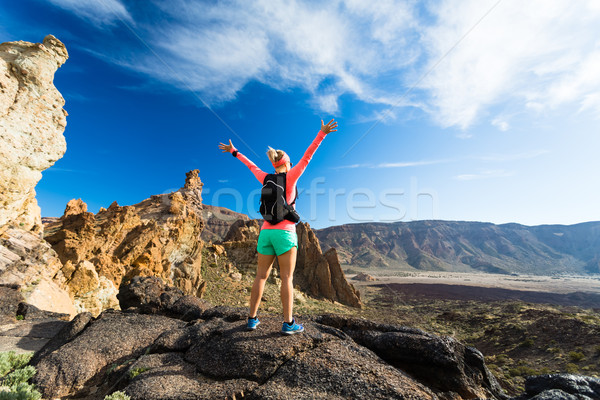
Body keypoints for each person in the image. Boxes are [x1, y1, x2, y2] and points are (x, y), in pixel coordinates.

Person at [218, 119, 338, 335]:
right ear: (287, 163)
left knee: (260, 277)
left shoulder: (265, 177)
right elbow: (308, 157)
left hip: (265, 232)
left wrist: (234, 151)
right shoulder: (291, 177)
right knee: (287, 278)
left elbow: (250, 165)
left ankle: (252, 319)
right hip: (285, 234)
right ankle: (288, 323)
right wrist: (322, 134)